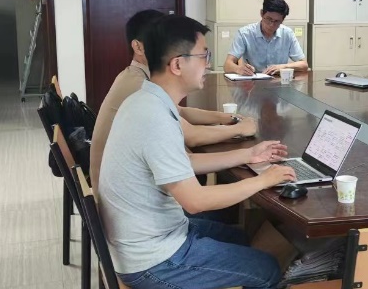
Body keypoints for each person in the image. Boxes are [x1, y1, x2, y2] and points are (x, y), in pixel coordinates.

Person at [98, 15, 297, 289]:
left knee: (240, 239)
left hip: (147, 236)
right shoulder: (154, 117)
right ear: (178, 64)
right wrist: (263, 179)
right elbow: (195, 200)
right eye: (204, 55)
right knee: (268, 270)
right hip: (152, 260)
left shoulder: (147, 101)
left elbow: (183, 164)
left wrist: (247, 154)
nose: (209, 63)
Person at [90, 10, 259, 184]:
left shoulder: (141, 80)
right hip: (125, 185)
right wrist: (239, 130)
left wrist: (227, 118)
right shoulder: (139, 87)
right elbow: (191, 135)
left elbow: (180, 111)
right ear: (138, 47)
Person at [223, 0, 309, 76]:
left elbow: (304, 65)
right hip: (252, 81)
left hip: (277, 81)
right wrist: (239, 69)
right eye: (269, 19)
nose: (271, 24)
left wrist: (283, 67)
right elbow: (227, 65)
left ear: (282, 20)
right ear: (261, 14)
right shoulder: (244, 33)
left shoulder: (287, 34)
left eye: (277, 21)